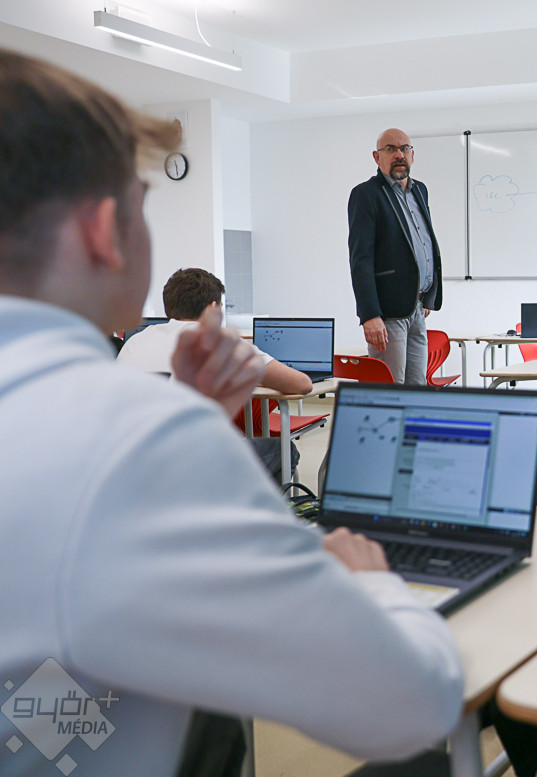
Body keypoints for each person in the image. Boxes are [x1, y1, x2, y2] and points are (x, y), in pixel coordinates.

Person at [0, 50, 462, 776]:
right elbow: (413, 700)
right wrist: (370, 579)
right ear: (103, 231)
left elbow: (35, 683)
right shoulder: (135, 439)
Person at [119, 267, 312, 395]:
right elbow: (302, 384)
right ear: (213, 308)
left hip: (133, 443)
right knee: (280, 445)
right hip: (194, 444)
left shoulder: (135, 341)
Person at [347, 128, 443, 384]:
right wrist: (369, 315)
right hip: (387, 313)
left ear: (412, 154)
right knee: (390, 389)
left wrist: (427, 295)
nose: (399, 154)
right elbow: (360, 260)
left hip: (417, 308)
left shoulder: (420, 190)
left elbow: (423, 242)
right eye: (390, 149)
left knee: (417, 386)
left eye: (404, 148)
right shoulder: (366, 194)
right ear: (377, 157)